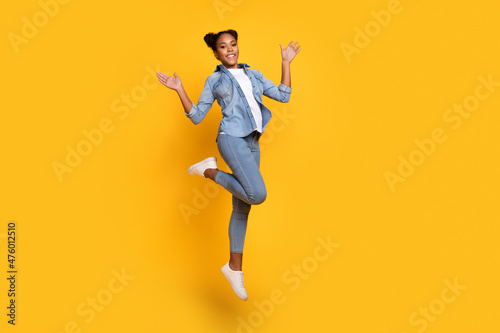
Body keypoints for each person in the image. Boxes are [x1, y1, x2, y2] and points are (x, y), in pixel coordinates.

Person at [156, 29, 300, 300]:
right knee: (258, 194)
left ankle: (234, 268)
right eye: (223, 47)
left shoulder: (254, 75)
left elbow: (283, 95)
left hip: (252, 142)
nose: (230, 50)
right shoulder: (214, 80)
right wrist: (179, 89)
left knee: (242, 208)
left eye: (233, 44)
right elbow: (197, 116)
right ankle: (209, 170)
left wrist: (286, 63)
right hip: (231, 139)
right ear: (216, 53)